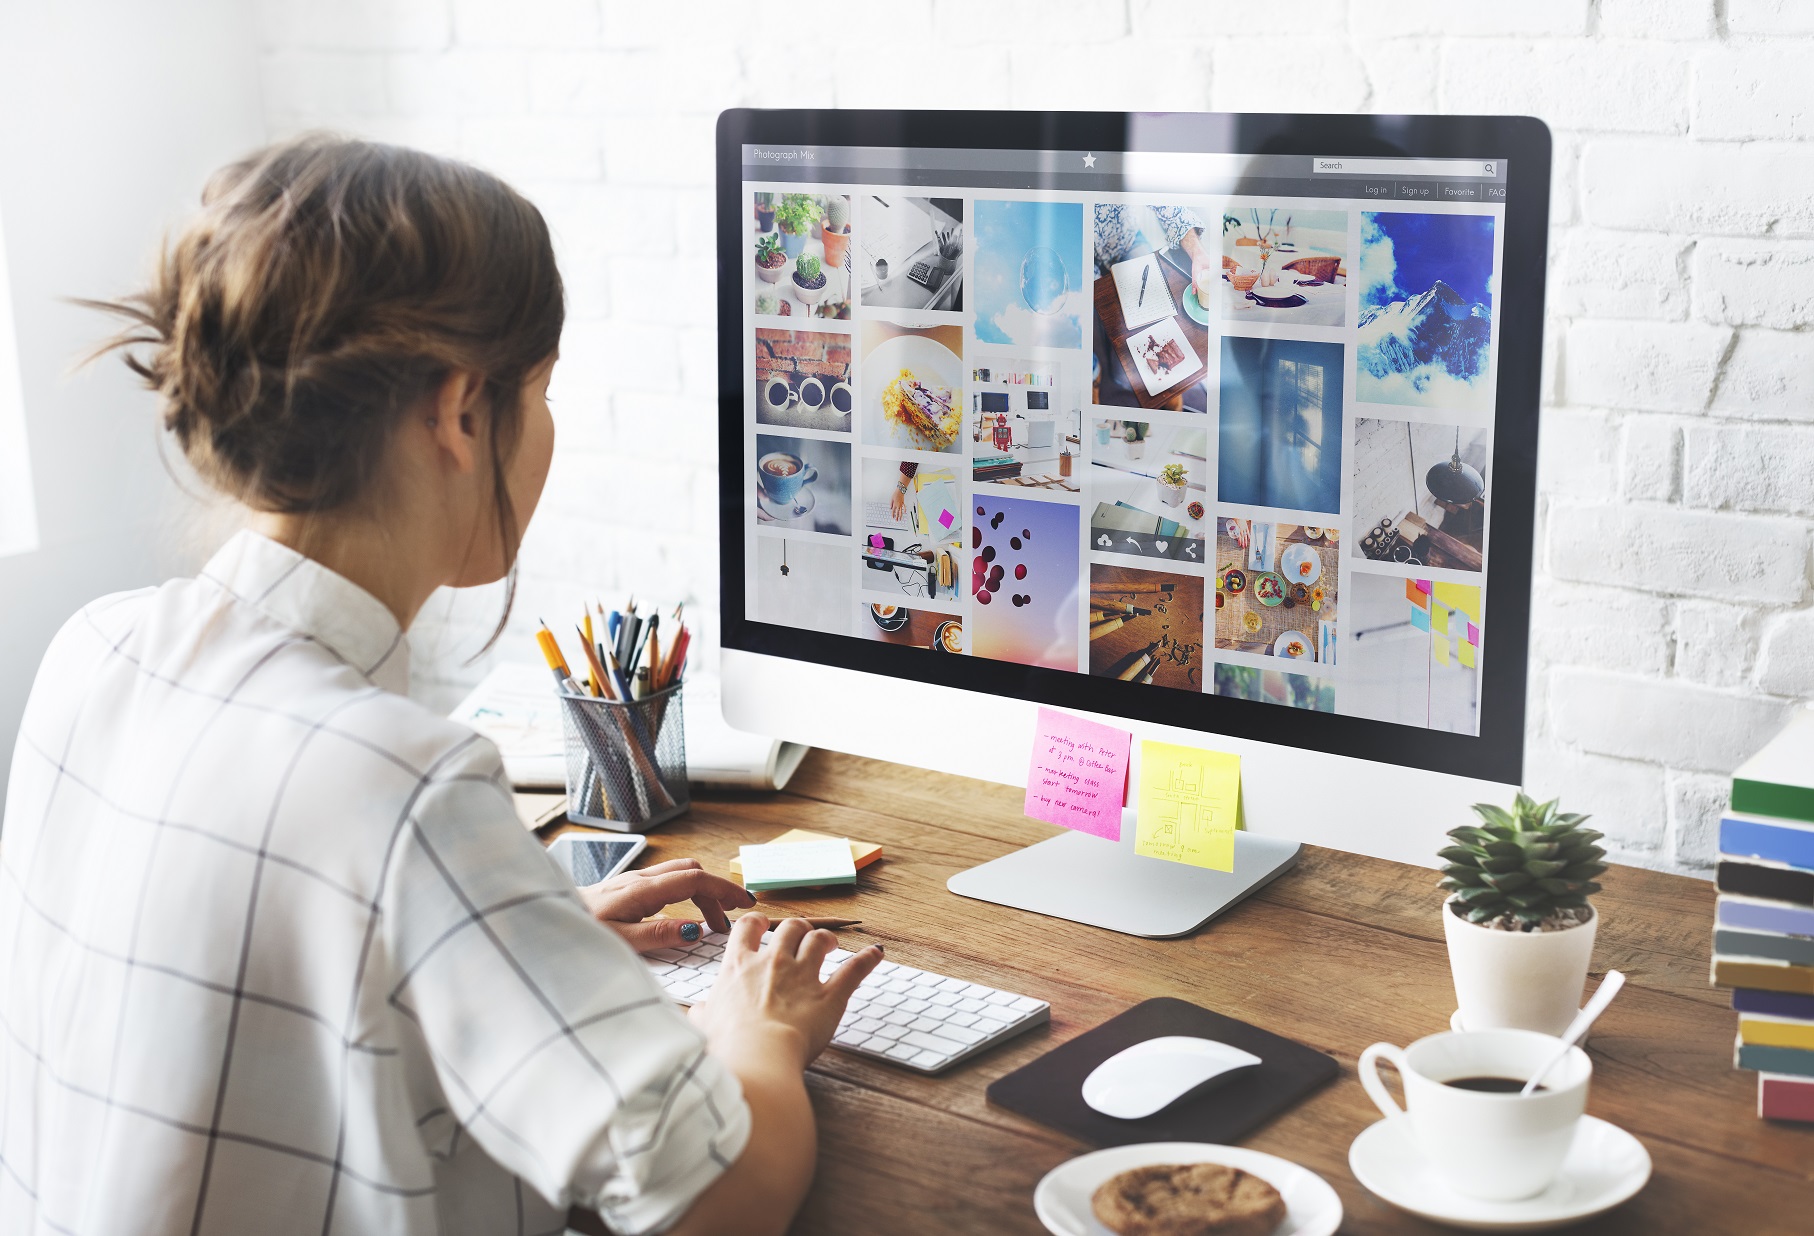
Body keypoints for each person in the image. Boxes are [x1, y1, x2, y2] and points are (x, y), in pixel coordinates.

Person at [0, 135, 880, 1236]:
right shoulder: (398, 783)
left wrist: (511, 940)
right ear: (461, 411)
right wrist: (765, 1028)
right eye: (542, 392)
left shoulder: (97, 649)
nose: (546, 428)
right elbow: (721, 1198)